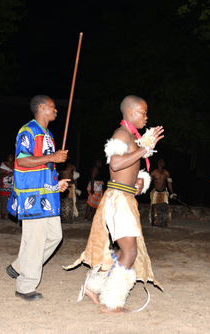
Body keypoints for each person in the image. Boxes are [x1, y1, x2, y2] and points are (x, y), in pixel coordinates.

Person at [64, 95, 164, 313]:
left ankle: (92, 286)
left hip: (124, 197)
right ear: (129, 111)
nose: (146, 117)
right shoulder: (121, 133)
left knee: (124, 250)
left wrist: (140, 179)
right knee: (130, 253)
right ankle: (111, 303)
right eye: (143, 112)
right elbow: (116, 164)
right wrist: (144, 149)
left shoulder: (132, 136)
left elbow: (128, 168)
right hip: (118, 199)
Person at [5, 95, 70, 302]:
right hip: (31, 196)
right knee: (35, 242)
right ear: (41, 107)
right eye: (53, 106)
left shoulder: (48, 134)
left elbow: (43, 168)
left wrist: (55, 185)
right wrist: (52, 157)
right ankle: (25, 286)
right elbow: (22, 161)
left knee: (55, 237)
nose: (56, 110)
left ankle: (19, 266)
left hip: (47, 195)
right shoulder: (28, 130)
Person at [149, 159, 175, 227]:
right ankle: (154, 221)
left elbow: (169, 184)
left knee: (165, 208)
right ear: (158, 163)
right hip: (156, 192)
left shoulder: (166, 173)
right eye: (161, 162)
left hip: (164, 192)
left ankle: (164, 222)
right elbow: (149, 183)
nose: (163, 163)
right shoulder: (154, 173)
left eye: (163, 161)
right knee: (154, 207)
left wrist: (172, 193)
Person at [0, 154, 14, 219]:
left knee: (11, 200)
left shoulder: (14, 165)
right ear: (7, 158)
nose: (11, 158)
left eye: (12, 157)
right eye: (9, 157)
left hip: (12, 185)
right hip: (4, 186)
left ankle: (9, 214)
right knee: (4, 200)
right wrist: (8, 174)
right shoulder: (3, 164)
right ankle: (3, 214)